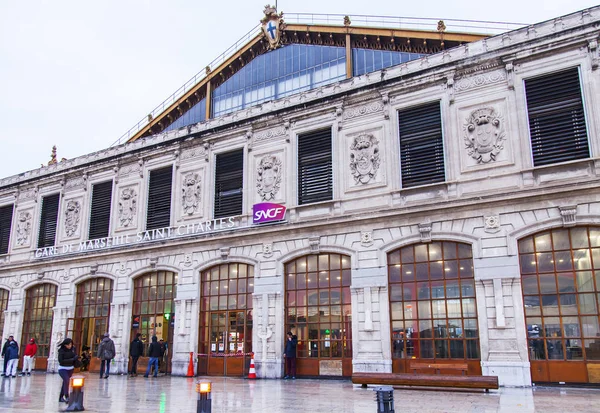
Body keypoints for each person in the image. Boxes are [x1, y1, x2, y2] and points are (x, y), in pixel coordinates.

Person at [57, 338, 79, 403]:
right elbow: (61, 361)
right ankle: (67, 396)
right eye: (68, 345)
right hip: (62, 369)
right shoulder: (61, 351)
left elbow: (75, 356)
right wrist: (72, 359)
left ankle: (61, 397)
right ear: (65, 345)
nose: (69, 346)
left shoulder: (73, 349)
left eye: (71, 344)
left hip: (70, 369)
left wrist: (76, 358)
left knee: (65, 382)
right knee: (67, 380)